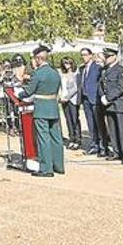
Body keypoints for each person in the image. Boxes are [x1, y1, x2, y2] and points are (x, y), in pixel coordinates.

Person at [19, 46, 64, 177]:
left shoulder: (38, 73)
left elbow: (28, 91)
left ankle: (46, 168)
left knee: (43, 138)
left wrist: (18, 94)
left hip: (42, 108)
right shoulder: (55, 72)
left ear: (38, 59)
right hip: (53, 107)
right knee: (56, 137)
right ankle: (59, 165)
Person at [100, 48, 123, 164]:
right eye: (105, 56)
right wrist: (102, 96)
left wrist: (109, 98)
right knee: (113, 129)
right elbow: (102, 85)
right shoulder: (105, 70)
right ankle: (117, 151)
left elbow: (121, 87)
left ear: (114, 57)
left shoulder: (120, 70)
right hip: (109, 105)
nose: (106, 58)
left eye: (108, 56)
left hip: (118, 103)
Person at [77, 48, 104, 155]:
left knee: (99, 123)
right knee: (90, 123)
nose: (84, 57)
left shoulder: (97, 68)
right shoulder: (82, 69)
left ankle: (102, 145)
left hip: (95, 98)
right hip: (85, 99)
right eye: (82, 55)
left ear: (91, 55)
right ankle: (94, 144)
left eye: (85, 55)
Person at [59, 57, 81, 150]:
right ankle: (71, 138)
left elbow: (76, 88)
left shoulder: (76, 74)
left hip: (73, 99)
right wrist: (61, 97)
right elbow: (61, 87)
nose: (66, 64)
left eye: (68, 62)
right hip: (64, 100)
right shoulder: (62, 74)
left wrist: (67, 97)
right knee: (68, 120)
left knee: (75, 119)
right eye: (64, 63)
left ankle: (78, 139)